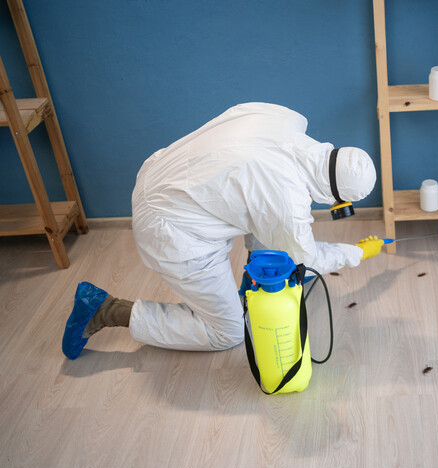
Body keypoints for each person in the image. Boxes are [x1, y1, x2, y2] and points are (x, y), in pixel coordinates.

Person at [62, 102, 383, 359]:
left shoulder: (286, 118)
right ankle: (103, 311)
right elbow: (307, 257)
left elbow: (253, 193)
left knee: (266, 222)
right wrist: (356, 252)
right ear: (338, 198)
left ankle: (253, 280)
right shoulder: (287, 197)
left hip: (159, 177)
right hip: (171, 229)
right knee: (226, 331)